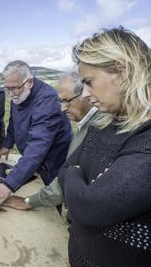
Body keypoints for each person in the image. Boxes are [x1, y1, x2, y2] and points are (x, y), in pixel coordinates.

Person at [58, 27, 151, 265]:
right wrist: (75, 175)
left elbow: (89, 207)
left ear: (122, 71)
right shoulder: (105, 121)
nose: (85, 95)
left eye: (89, 82)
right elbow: (64, 170)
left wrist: (75, 175)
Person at [0, 60, 72, 211]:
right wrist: (7, 145)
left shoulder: (48, 101)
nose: (11, 94)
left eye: (14, 89)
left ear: (29, 82)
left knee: (46, 208)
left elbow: (37, 146)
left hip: (51, 164)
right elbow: (13, 123)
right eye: (7, 89)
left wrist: (8, 186)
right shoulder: (18, 93)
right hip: (34, 162)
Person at [8, 72, 99, 210]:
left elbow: (67, 177)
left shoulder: (97, 131)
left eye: (67, 101)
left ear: (87, 95)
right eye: (61, 101)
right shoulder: (84, 127)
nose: (62, 108)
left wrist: (30, 201)